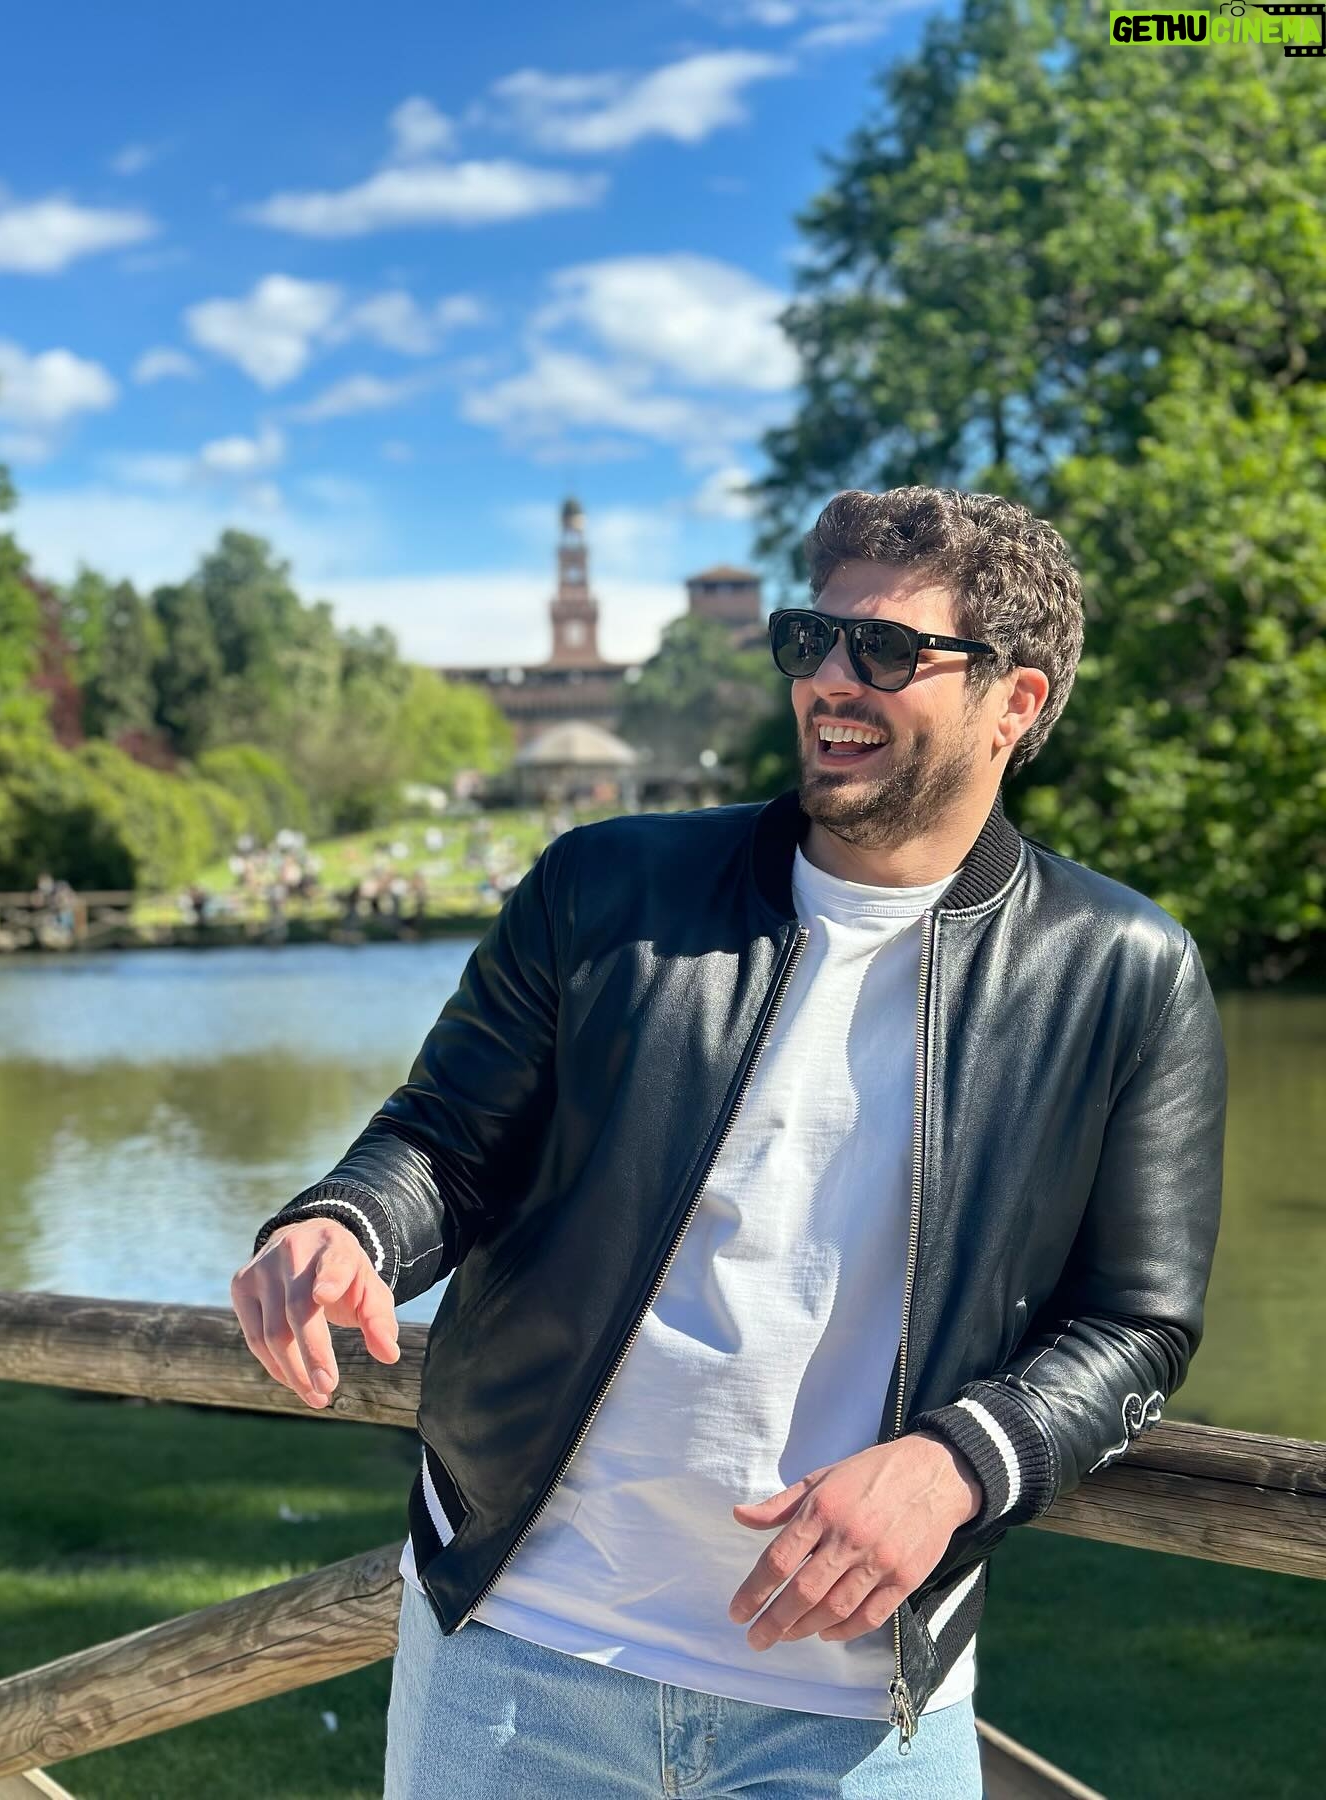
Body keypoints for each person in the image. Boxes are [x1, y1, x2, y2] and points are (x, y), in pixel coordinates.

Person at [231, 486, 1227, 1797]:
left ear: (1016, 702)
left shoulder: (1125, 973)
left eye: (886, 650)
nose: (829, 680)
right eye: (813, 640)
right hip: (519, 1653)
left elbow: (1137, 1323)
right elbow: (443, 1144)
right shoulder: (603, 889)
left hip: (859, 1715)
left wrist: (957, 1464)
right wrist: (344, 1225)